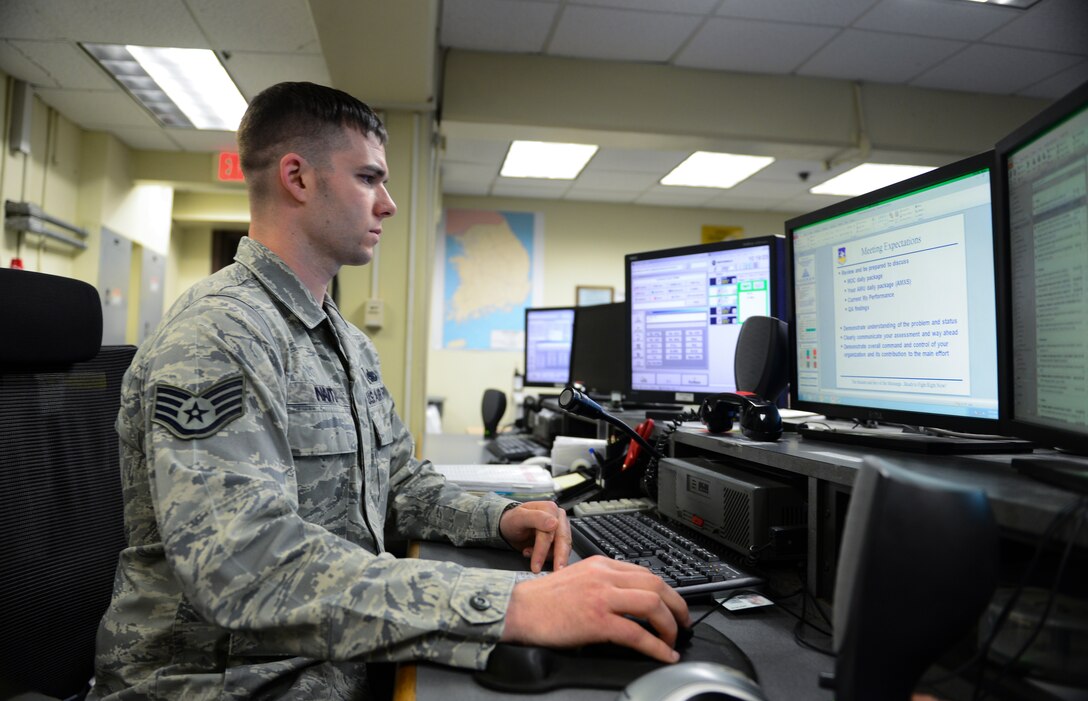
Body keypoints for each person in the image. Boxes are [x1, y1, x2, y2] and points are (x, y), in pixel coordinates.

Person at [89, 81, 688, 700]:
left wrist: (500, 518)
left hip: (332, 659)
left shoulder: (343, 342)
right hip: (223, 682)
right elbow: (244, 566)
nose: (389, 204)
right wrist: (513, 604)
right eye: (369, 178)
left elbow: (397, 481)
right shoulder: (220, 334)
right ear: (298, 178)